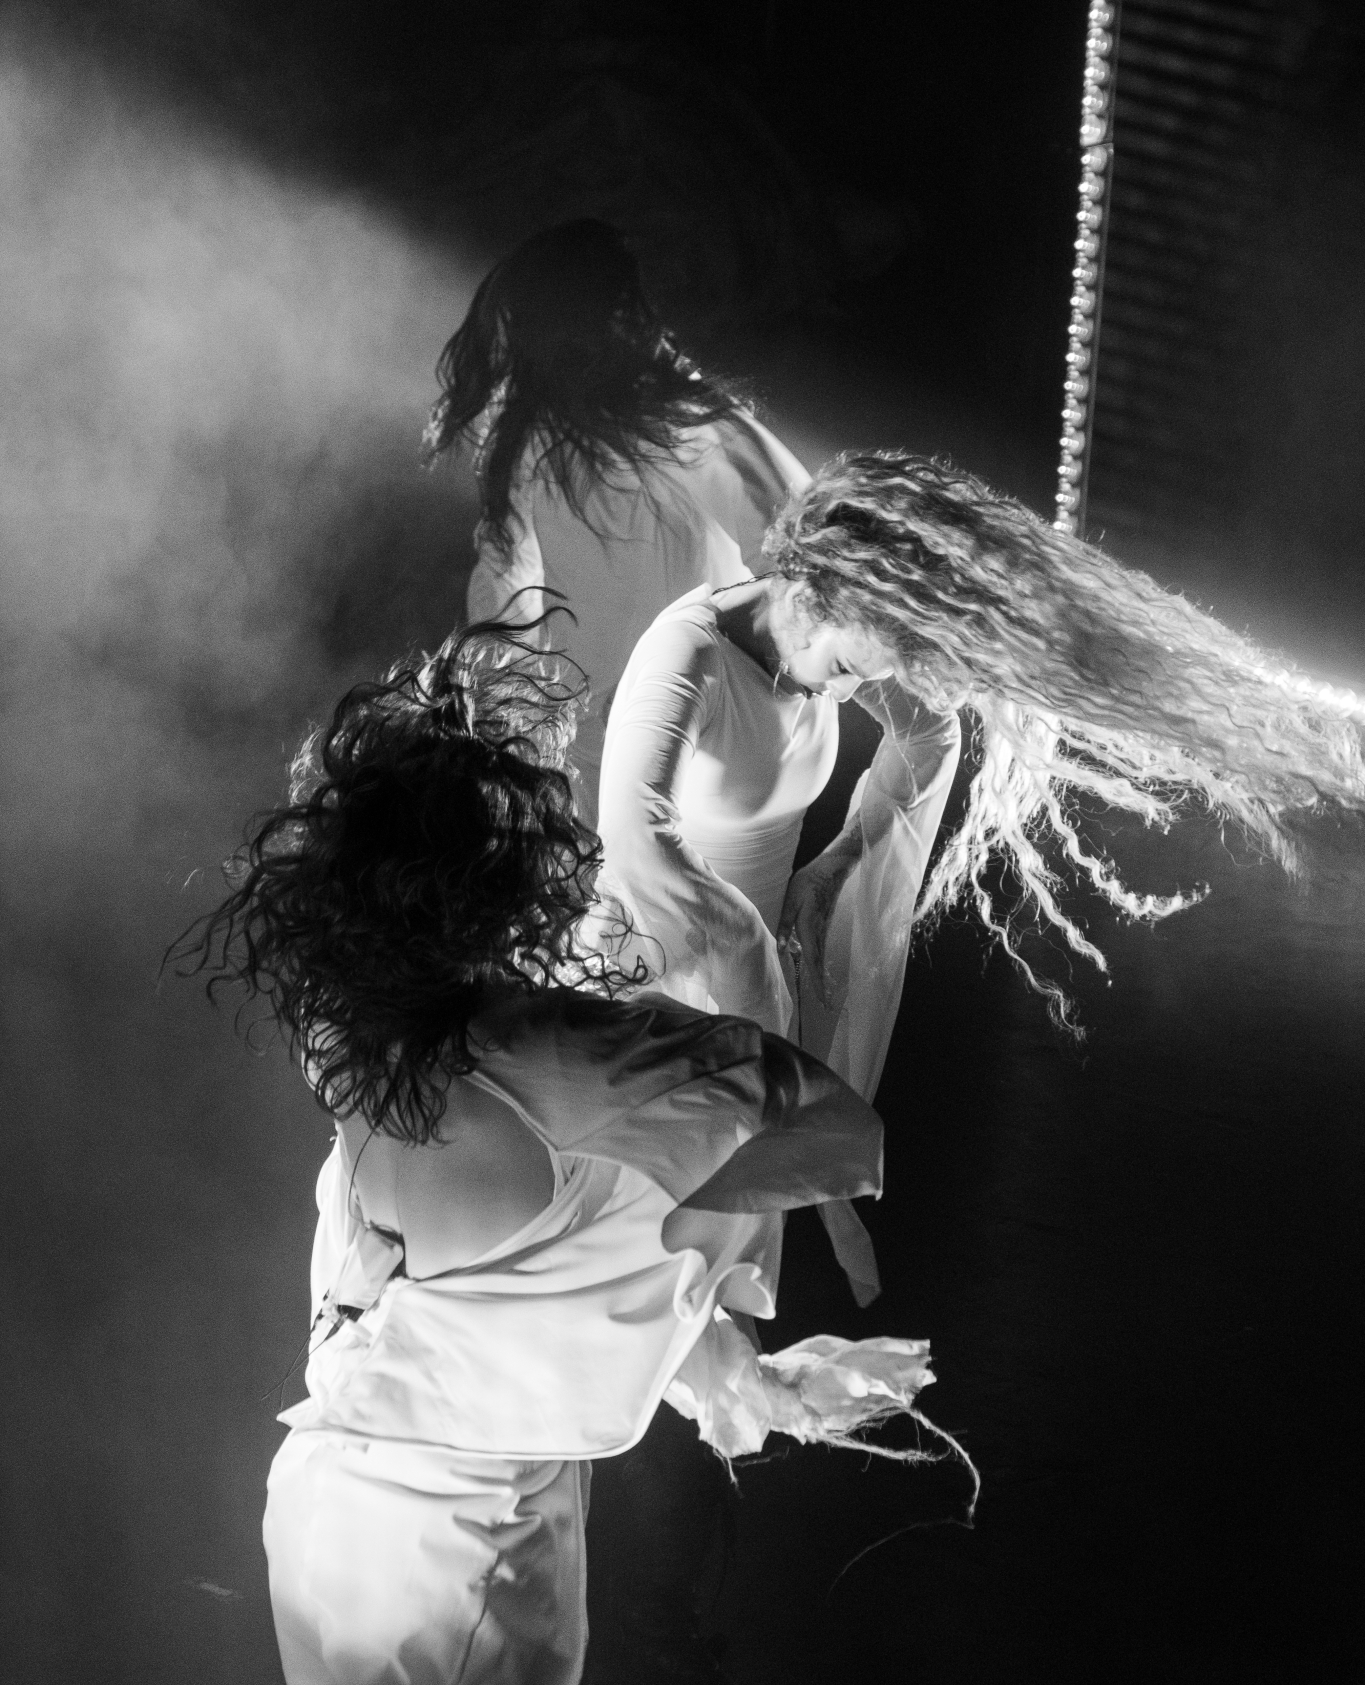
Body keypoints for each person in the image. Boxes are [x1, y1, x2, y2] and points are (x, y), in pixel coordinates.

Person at [182, 623, 961, 1685]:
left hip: (327, 1515)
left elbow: (529, 1288)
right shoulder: (574, 1060)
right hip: (459, 1560)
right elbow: (833, 1134)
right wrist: (733, 951)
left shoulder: (354, 1035)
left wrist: (740, 1377)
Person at [597, 451, 1365, 1298]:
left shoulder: (825, 642)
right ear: (814, 596)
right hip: (657, 973)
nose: (846, 693)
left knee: (715, 1258)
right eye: (848, 670)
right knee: (645, 1250)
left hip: (755, 973)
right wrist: (749, 968)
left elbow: (932, 733)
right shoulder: (688, 657)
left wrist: (836, 863)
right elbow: (636, 838)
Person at [423, 219, 808, 820]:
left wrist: (746, 681)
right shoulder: (527, 443)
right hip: (587, 752)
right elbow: (506, 593)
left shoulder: (688, 425)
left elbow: (799, 545)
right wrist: (511, 725)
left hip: (696, 738)